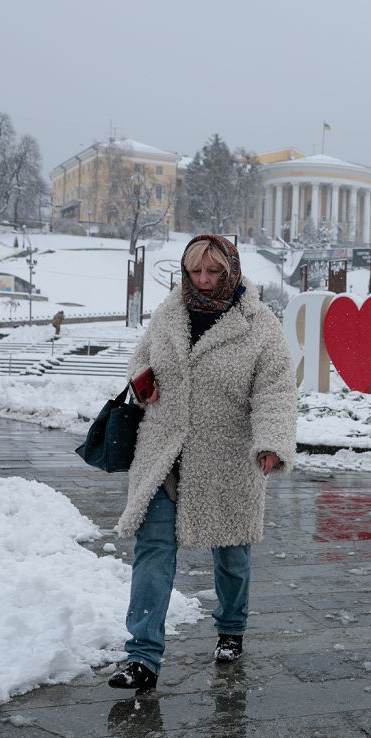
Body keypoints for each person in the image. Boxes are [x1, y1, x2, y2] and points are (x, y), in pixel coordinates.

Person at [109, 234, 297, 692]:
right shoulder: (170, 311)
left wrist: (271, 442)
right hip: (164, 450)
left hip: (227, 455)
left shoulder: (258, 323)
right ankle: (142, 656)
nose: (205, 281)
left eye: (214, 272)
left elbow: (275, 389)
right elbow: (144, 354)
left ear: (230, 270)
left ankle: (231, 628)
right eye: (196, 272)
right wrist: (142, 377)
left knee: (232, 554)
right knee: (153, 548)